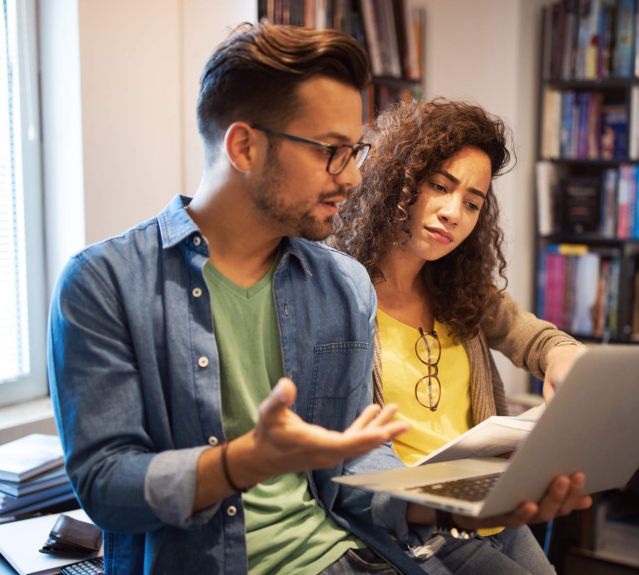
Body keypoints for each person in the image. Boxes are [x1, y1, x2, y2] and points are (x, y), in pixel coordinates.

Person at [48, 23, 588, 575]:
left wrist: (448, 506)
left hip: (347, 557)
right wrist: (240, 463)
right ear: (244, 146)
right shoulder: (102, 285)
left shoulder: (340, 284)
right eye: (332, 151)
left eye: (356, 151)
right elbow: (105, 487)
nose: (354, 177)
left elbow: (353, 462)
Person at [333, 98, 589, 572]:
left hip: (488, 501)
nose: (454, 212)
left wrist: (562, 355)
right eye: (439, 186)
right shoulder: (340, 292)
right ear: (397, 181)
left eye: (472, 203)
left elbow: (533, 338)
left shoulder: (459, 288)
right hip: (414, 518)